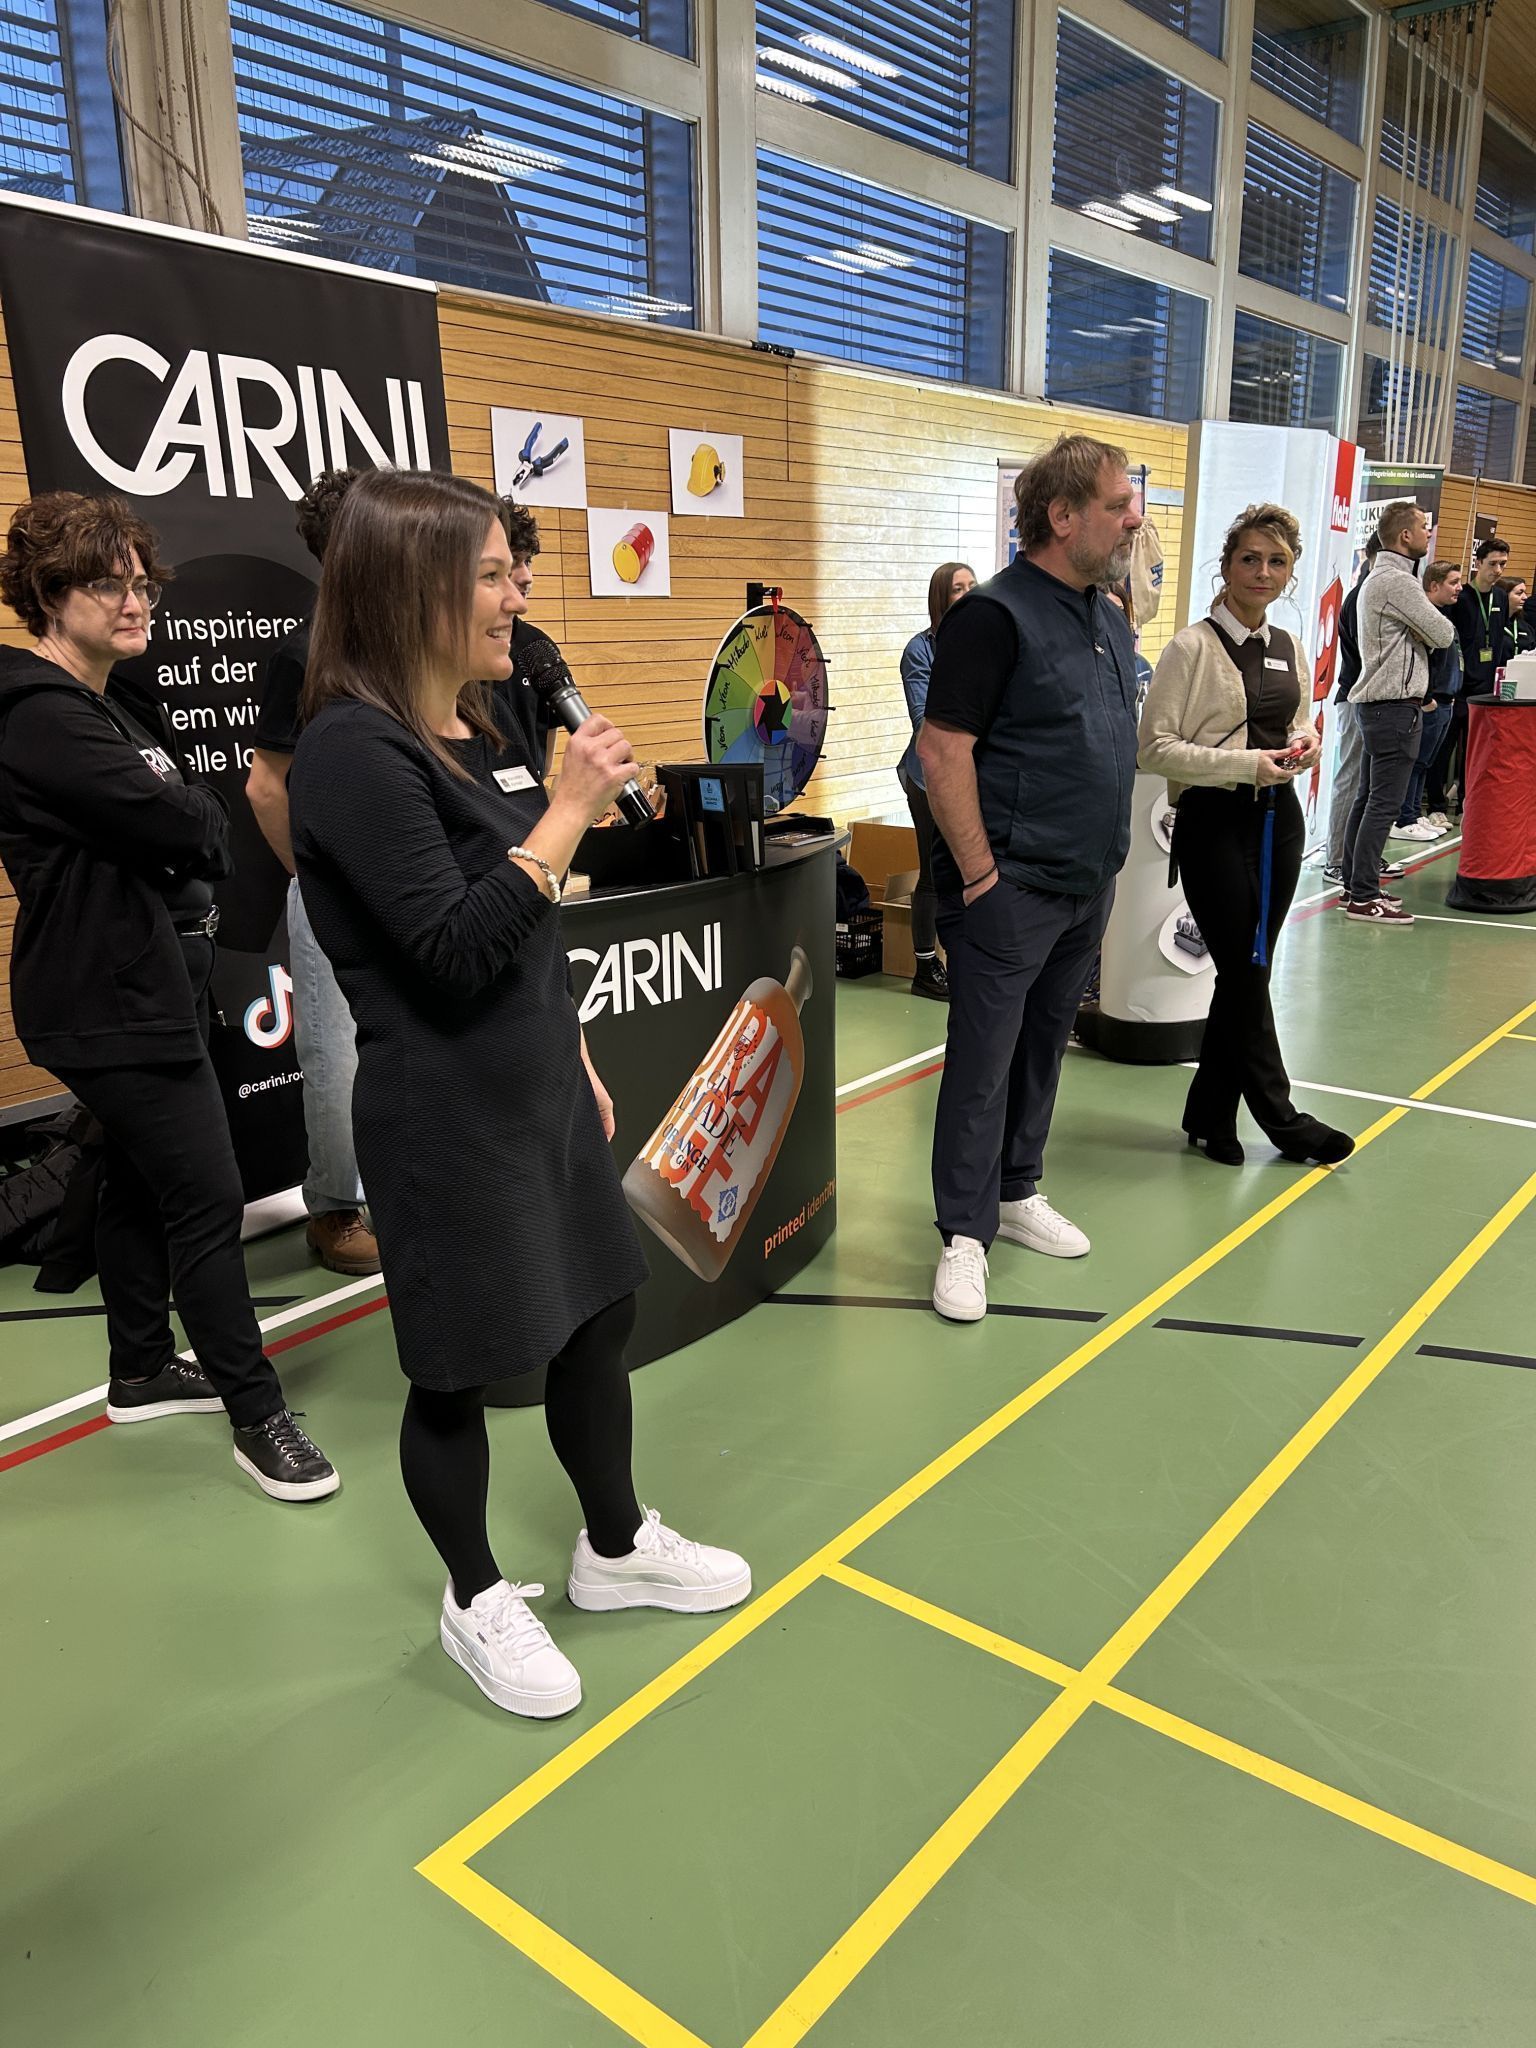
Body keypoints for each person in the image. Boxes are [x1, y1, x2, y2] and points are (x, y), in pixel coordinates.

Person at [289, 469, 748, 1719]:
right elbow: (445, 946)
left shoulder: (478, 730)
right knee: (457, 1370)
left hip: (539, 1086)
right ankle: (473, 1594)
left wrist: (579, 1050)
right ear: (414, 588)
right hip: (444, 1122)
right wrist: (567, 815)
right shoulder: (349, 752)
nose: (519, 592)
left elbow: (523, 941)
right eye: (492, 573)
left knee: (597, 1317)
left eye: (514, 568)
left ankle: (611, 1548)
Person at [0, 491, 337, 1500]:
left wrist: (186, 814)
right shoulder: (39, 716)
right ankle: (257, 1415)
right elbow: (186, 821)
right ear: (52, 595)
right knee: (205, 1192)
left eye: (145, 581)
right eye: (111, 583)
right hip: (105, 996)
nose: (139, 599)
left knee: (144, 1182)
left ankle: (142, 1366)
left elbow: (201, 814)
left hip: (153, 982)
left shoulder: (117, 702)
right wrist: (186, 815)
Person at [918, 434, 1141, 1323]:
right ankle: (964, 1235)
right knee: (982, 1065)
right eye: (1119, 504)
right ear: (1061, 516)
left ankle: (1016, 1193)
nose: (1134, 518)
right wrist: (979, 878)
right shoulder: (994, 616)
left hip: (1086, 884)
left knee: (1045, 1048)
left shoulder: (1105, 613)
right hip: (1009, 891)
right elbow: (942, 751)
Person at [1138, 505, 1352, 1168]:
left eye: (1277, 562)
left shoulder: (1287, 646)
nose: (1263, 572)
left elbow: (1300, 722)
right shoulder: (1191, 648)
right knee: (1244, 967)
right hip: (1212, 822)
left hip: (1276, 822)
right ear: (1226, 567)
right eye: (1250, 559)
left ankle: (1208, 1112)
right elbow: (1153, 749)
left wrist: (1305, 745)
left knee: (1247, 969)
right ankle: (1282, 1118)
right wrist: (1242, 766)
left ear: (1288, 575)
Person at [246, 469, 379, 1278]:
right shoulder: (304, 652)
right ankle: (333, 1209)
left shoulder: (400, 643)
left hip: (406, 881)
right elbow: (266, 787)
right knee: (336, 1054)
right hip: (333, 889)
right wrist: (316, 875)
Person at [1339, 500, 1454, 928]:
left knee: (1367, 799)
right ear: (1405, 536)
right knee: (1381, 805)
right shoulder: (1398, 584)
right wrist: (1422, 634)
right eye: (1425, 527)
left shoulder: (1377, 579)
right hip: (1394, 708)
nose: (1429, 533)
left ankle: (1355, 886)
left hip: (1378, 707)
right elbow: (1443, 633)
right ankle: (1363, 896)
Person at [897, 562, 975, 1002]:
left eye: (971, 587)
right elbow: (923, 719)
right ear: (940, 599)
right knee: (933, 873)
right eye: (955, 589)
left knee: (970, 870)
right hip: (928, 777)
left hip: (974, 774)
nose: (965, 594)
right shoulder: (920, 650)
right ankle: (926, 967)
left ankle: (963, 958)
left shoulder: (987, 644)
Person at [1390, 561, 1462, 842]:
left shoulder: (1443, 618)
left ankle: (1414, 813)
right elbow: (1423, 663)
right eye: (1452, 582)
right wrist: (1428, 699)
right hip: (1432, 703)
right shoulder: (1425, 619)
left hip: (1446, 701)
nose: (1459, 588)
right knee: (1416, 762)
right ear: (1433, 585)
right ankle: (1404, 816)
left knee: (1427, 763)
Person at [1322, 537, 1375, 886]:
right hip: (1355, 695)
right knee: (1351, 777)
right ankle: (1337, 859)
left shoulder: (1374, 593)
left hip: (1370, 699)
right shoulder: (1361, 597)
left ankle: (1357, 855)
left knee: (1368, 783)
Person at [1497, 575, 1533, 656]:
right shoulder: (1489, 624)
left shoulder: (1525, 626)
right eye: (1519, 593)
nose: (1525, 597)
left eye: (1525, 593)